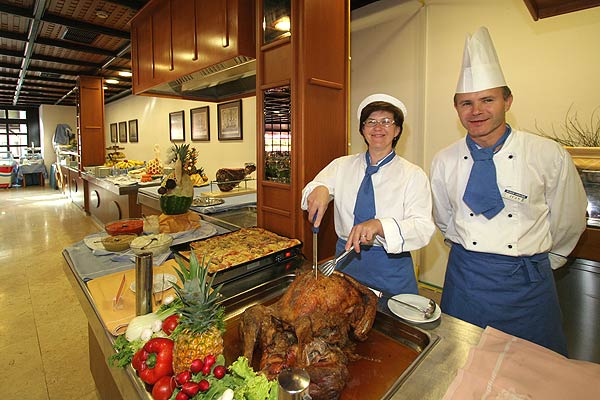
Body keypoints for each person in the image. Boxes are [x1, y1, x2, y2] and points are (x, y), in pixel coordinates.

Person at [430, 27, 587, 356]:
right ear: (456, 108)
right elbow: (444, 218)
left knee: (535, 367)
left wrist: (544, 260)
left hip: (527, 285)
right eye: (466, 103)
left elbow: (569, 219)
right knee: (461, 361)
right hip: (465, 278)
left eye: (488, 100)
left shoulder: (547, 154)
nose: (477, 111)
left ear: (507, 101)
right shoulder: (444, 160)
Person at [301, 93, 435, 297]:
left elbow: (423, 228)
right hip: (345, 261)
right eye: (371, 122)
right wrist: (320, 189)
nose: (378, 127)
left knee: (390, 317)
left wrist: (380, 225)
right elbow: (310, 193)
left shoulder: (413, 175)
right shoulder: (341, 165)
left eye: (386, 122)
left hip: (390, 267)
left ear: (397, 130)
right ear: (363, 130)